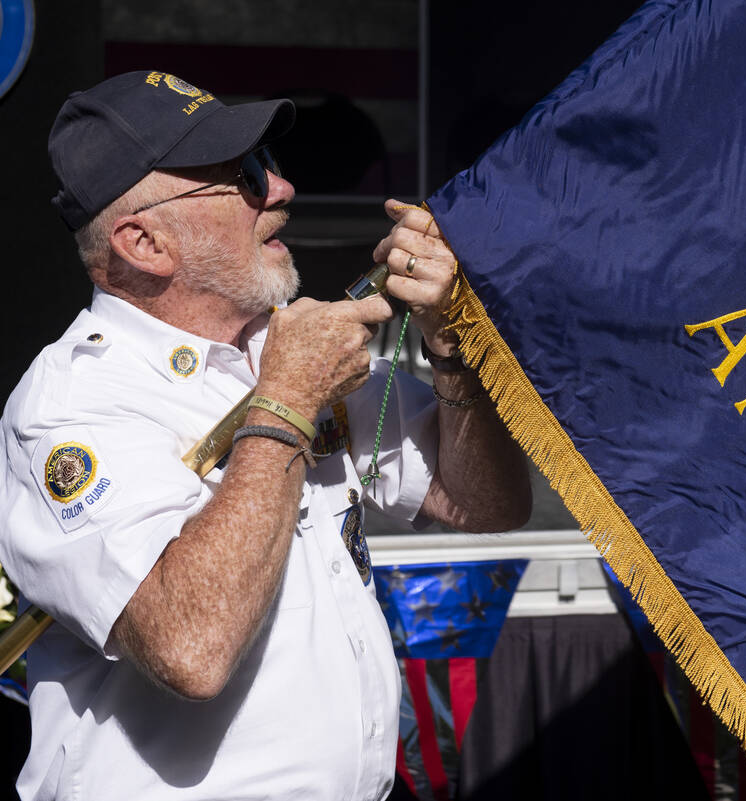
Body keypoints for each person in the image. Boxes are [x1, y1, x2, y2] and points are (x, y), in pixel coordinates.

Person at [0, 70, 531, 800]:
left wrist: (452, 353)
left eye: (270, 165)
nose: (280, 189)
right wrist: (283, 402)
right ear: (144, 241)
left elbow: (487, 503)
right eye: (244, 177)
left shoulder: (276, 348)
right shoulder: (72, 402)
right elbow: (190, 649)